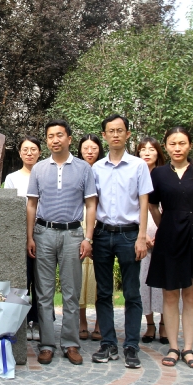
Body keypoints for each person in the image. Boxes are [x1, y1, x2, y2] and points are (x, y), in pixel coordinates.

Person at [26, 120, 97, 366]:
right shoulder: (39, 169)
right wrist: (30, 237)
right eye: (50, 136)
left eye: (59, 135)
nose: (54, 140)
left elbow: (91, 204)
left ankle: (70, 343)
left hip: (72, 235)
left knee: (71, 292)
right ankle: (46, 344)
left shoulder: (83, 168)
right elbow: (32, 204)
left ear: (69, 138)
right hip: (43, 233)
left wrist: (88, 237)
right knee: (43, 292)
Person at [147, 127, 193, 369]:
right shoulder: (159, 174)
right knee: (170, 292)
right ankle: (174, 347)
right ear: (166, 146)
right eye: (173, 143)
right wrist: (165, 226)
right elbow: (152, 205)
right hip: (168, 236)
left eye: (182, 143)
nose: (177, 148)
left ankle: (188, 348)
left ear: (190, 146)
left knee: (191, 294)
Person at [90, 114, 153, 369]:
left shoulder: (138, 166)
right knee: (104, 292)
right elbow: (92, 204)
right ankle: (108, 343)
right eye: (111, 131)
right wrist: (89, 237)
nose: (115, 135)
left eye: (120, 130)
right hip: (102, 234)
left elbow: (144, 202)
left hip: (129, 235)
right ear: (104, 135)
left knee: (132, 293)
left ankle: (131, 346)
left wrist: (142, 237)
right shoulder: (96, 168)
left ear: (128, 134)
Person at [4, 135, 44, 341]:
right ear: (19, 153)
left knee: (41, 280)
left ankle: (38, 321)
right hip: (19, 233)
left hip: (43, 231)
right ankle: (22, 320)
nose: (29, 153)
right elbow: (9, 208)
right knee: (22, 278)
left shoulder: (46, 175)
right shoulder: (12, 178)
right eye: (25, 150)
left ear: (40, 152)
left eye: (33, 149)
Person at [136, 137, 169, 344]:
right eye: (143, 149)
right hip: (140, 236)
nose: (147, 153)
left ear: (158, 153)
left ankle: (165, 323)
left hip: (164, 234)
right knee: (143, 283)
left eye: (151, 149)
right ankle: (149, 324)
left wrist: (162, 234)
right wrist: (143, 235)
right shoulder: (135, 175)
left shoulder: (165, 175)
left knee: (165, 282)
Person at [76, 134, 104, 342]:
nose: (89, 151)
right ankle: (82, 322)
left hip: (100, 226)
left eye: (93, 148)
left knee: (100, 278)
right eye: (85, 148)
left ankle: (100, 323)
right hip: (78, 226)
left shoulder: (104, 170)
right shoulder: (75, 170)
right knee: (79, 277)